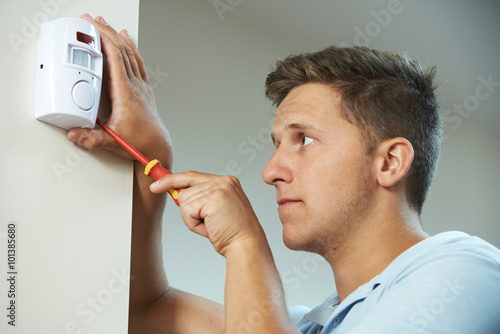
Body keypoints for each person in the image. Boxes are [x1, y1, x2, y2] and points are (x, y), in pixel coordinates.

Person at [69, 14, 500, 334]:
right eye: (277, 144)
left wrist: (244, 245)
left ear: (389, 163)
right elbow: (144, 312)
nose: (270, 172)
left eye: (304, 140)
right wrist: (151, 155)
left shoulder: (467, 273)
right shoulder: (312, 326)